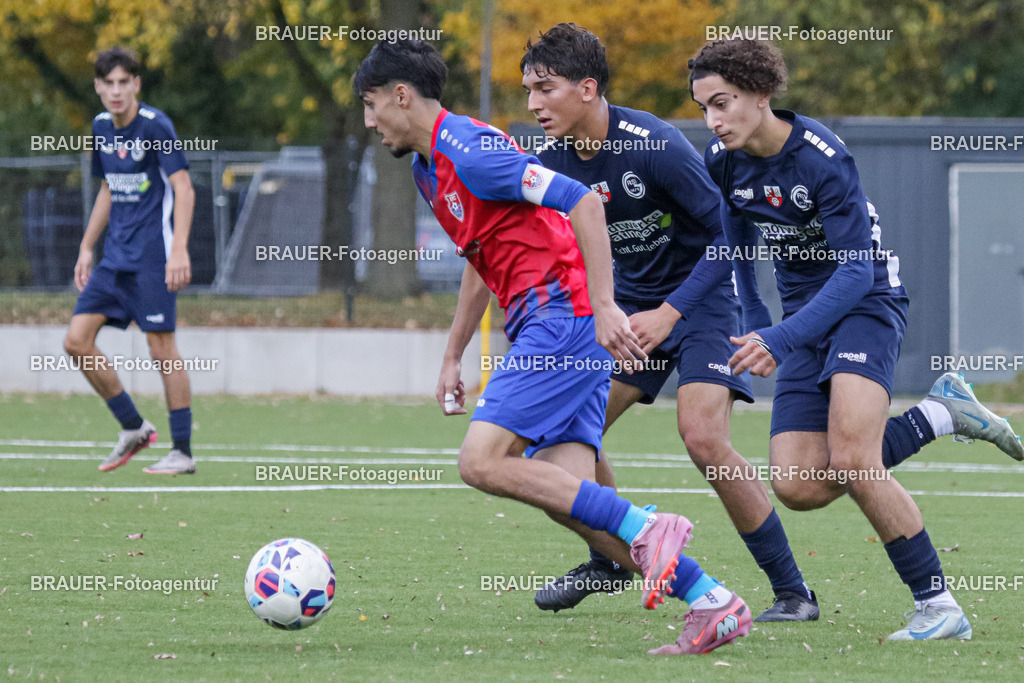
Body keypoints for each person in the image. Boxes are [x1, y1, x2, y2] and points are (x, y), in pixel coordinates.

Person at [354, 38, 751, 655]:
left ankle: (650, 527)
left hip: (560, 320)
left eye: (372, 104)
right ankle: (712, 602)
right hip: (546, 321)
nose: (369, 120)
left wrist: (603, 306)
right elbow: (480, 259)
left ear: (401, 96)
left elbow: (584, 201)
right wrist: (454, 352)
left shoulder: (472, 149)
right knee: (572, 499)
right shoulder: (426, 166)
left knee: (480, 462)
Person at [687, 38, 1023, 640]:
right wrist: (758, 318)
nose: (713, 120)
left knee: (856, 462)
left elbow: (854, 272)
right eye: (704, 107)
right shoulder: (724, 162)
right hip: (800, 318)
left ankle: (940, 607)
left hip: (863, 303)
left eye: (722, 102)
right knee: (796, 484)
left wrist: (781, 337)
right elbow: (737, 245)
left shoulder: (822, 158)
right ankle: (939, 416)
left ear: (761, 96)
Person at [519, 23, 817, 623]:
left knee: (703, 436)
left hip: (701, 300)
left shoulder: (652, 144)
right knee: (564, 432)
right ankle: (609, 558)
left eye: (544, 89)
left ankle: (793, 592)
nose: (532, 104)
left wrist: (671, 311)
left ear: (586, 88)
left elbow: (727, 239)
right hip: (627, 310)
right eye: (527, 90)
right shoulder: (546, 161)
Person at [63, 47, 197, 475]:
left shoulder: (156, 126)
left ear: (136, 85)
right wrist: (87, 247)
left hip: (153, 259)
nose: (117, 91)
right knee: (76, 341)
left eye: (125, 82)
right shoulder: (101, 127)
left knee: (162, 349)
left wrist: (179, 249)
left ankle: (182, 451)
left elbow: (185, 188)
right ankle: (133, 427)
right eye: (109, 84)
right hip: (114, 260)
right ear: (99, 88)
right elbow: (107, 189)